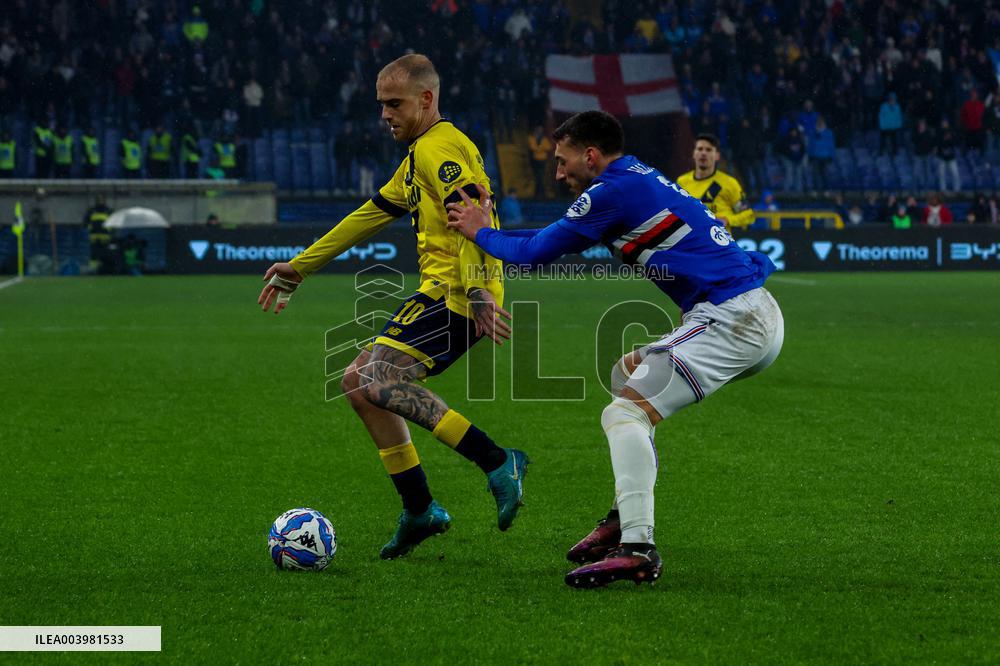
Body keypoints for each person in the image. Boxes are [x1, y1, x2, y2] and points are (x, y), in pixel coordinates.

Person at [446, 111, 783, 588]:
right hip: (744, 311)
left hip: (734, 319)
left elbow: (534, 253)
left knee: (624, 414)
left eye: (562, 162)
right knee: (625, 374)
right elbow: (546, 240)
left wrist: (479, 230)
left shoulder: (609, 192)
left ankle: (638, 549)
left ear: (590, 156)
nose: (558, 173)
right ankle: (624, 516)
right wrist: (487, 227)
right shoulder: (630, 179)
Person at [257, 54, 529, 560]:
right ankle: (421, 509)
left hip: (458, 295)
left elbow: (473, 214)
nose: (385, 114)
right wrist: (302, 265)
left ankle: (499, 461)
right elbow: (370, 215)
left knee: (379, 381)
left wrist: (475, 290)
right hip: (440, 292)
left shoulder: (439, 148)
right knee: (358, 387)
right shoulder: (419, 154)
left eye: (395, 103)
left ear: (427, 99)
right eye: (381, 104)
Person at [676, 133, 754, 231]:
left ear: (717, 156)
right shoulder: (682, 182)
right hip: (692, 243)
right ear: (694, 154)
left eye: (708, 150)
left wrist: (727, 220)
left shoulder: (729, 183)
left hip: (720, 244)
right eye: (700, 149)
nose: (703, 153)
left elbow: (748, 215)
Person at [84, 195, 113, 273]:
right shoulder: (91, 211)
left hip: (105, 237)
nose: (100, 201)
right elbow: (85, 222)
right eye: (99, 199)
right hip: (94, 236)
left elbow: (112, 224)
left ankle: (104, 269)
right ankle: (93, 270)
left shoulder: (108, 211)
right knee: (94, 255)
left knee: (104, 254)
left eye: (102, 199)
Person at [528, 125, 553, 199]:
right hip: (535, 160)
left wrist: (538, 148)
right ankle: (539, 193)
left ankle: (539, 193)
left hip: (542, 160)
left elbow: (549, 147)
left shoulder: (544, 139)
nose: (540, 132)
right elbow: (533, 148)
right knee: (537, 176)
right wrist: (542, 148)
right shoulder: (531, 138)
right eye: (538, 130)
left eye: (541, 130)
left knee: (540, 176)